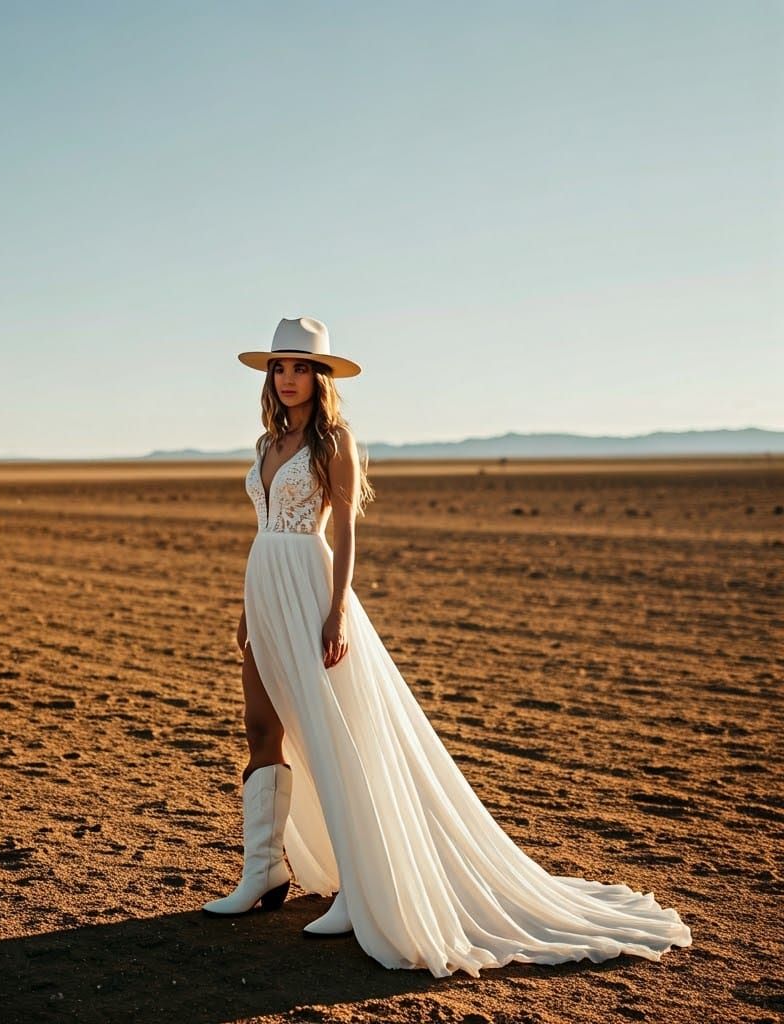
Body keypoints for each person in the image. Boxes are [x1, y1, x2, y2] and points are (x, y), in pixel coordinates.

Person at [201, 316, 693, 978]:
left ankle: (359, 889)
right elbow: (264, 530)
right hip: (264, 588)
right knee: (260, 728)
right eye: (279, 368)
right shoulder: (266, 440)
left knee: (330, 738)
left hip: (311, 590)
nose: (288, 378)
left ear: (320, 378)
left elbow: (342, 528)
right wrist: (245, 610)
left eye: (301, 367)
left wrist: (338, 611)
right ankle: (263, 872)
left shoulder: (334, 441)